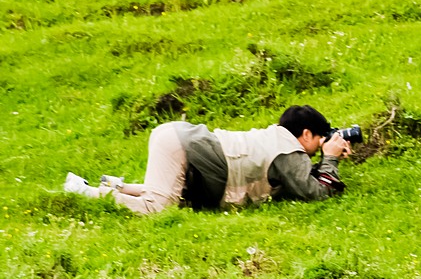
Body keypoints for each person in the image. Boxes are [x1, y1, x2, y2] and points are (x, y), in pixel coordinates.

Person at [63, 105, 352, 214]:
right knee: (157, 207)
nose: (320, 145)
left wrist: (325, 158)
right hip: (180, 145)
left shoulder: (277, 140)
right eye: (319, 138)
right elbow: (316, 192)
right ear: (305, 134)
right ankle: (86, 192)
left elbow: (296, 179)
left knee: (174, 199)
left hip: (179, 139)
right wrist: (330, 159)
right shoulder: (289, 151)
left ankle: (112, 186)